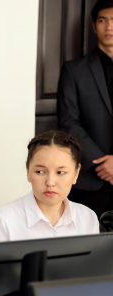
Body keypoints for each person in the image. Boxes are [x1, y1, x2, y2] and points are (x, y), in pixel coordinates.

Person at [0, 130, 99, 243]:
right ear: (28, 171)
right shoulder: (3, 220)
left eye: (60, 172)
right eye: (40, 172)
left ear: (76, 174)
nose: (50, 182)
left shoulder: (87, 218)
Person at [57, 0, 113, 218]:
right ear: (94, 26)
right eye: (102, 20)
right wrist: (102, 163)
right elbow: (68, 122)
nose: (109, 26)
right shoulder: (74, 71)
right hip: (90, 179)